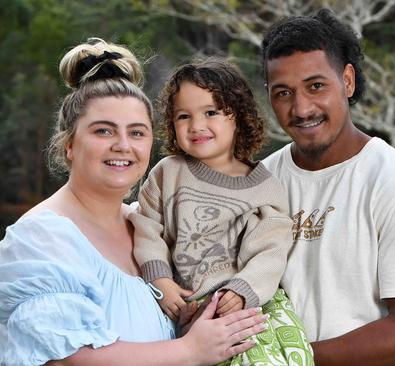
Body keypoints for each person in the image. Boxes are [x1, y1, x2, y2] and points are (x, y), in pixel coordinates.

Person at [0, 38, 267, 366]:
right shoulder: (42, 237)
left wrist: (190, 322)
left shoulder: (147, 225)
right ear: (69, 145)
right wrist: (189, 350)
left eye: (136, 133)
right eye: (103, 131)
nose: (123, 145)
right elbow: (66, 359)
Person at [260, 9, 395, 366]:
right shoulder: (257, 184)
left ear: (347, 81)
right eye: (283, 93)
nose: (301, 108)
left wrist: (291, 360)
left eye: (316, 86)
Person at [129, 58, 313, 365]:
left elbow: (270, 252)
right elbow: (147, 229)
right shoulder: (167, 173)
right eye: (183, 116)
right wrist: (160, 281)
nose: (196, 126)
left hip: (251, 299)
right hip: (190, 302)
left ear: (238, 116)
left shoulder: (264, 187)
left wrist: (243, 292)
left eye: (211, 112)